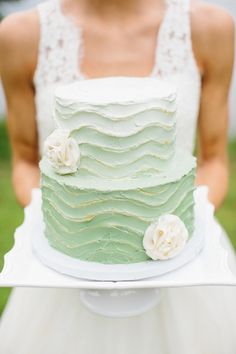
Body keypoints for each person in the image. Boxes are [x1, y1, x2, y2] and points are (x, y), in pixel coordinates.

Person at [0, 0, 236, 353]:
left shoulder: (212, 27)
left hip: (181, 259)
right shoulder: (20, 35)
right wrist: (69, 227)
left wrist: (186, 222)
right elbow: (24, 160)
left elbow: (215, 158)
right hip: (68, 257)